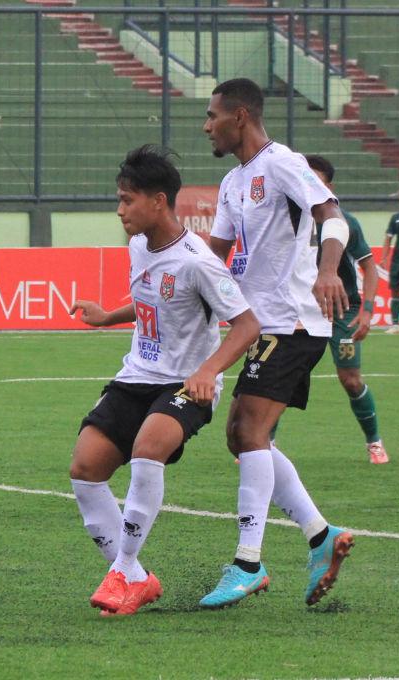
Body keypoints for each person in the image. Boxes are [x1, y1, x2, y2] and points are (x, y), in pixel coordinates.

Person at [69, 146, 259, 616]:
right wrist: (109, 316)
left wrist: (208, 370)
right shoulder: (139, 247)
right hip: (136, 374)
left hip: (183, 386)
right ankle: (137, 578)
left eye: (126, 200)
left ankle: (122, 572)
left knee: (147, 449)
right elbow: (152, 301)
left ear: (158, 201)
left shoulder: (198, 261)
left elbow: (248, 324)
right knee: (85, 469)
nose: (120, 210)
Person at [201, 78, 354, 608]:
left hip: (291, 322)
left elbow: (332, 217)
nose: (207, 126)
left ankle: (248, 562)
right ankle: (320, 536)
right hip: (260, 324)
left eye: (212, 115)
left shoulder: (283, 163)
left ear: (239, 116)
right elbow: (212, 254)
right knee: (242, 436)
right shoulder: (231, 182)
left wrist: (327, 271)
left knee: (249, 431)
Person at [304, 155, 388, 464]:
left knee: (351, 380)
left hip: (342, 310)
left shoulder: (344, 222)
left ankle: (374, 442)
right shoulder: (287, 220)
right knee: (284, 373)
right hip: (300, 310)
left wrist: (366, 312)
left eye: (316, 181)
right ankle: (263, 442)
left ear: (329, 187)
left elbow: (370, 266)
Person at [380, 187, 399, 334]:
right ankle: (395, 325)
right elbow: (388, 238)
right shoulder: (396, 218)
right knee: (395, 291)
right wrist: (383, 257)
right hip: (398, 261)